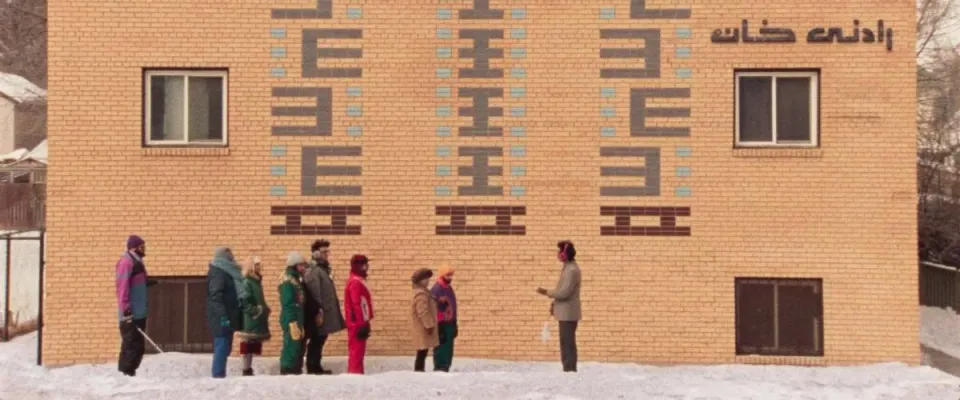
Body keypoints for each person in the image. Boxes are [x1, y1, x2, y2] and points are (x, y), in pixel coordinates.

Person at [301, 239, 346, 374]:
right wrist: (318, 312)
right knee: (316, 339)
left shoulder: (323, 268)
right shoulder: (314, 270)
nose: (327, 254)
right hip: (319, 313)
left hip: (325, 311)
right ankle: (313, 367)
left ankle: (316, 365)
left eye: (328, 251)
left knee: (321, 338)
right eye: (324, 252)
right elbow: (315, 293)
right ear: (315, 253)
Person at [536, 240, 582, 372]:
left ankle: (569, 370)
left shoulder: (571, 270)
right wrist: (554, 305)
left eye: (559, 251)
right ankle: (568, 368)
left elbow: (564, 293)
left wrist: (547, 292)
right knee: (566, 342)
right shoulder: (568, 268)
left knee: (567, 343)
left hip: (568, 313)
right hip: (565, 312)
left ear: (564, 254)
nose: (557, 254)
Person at [115, 234, 155, 377]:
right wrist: (126, 309)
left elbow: (135, 283)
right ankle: (125, 374)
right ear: (134, 248)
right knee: (130, 345)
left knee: (138, 347)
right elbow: (122, 287)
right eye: (142, 247)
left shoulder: (137, 262)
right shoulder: (126, 262)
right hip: (130, 313)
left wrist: (146, 283)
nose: (144, 250)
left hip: (140, 311)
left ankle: (131, 372)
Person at [206, 247, 245, 379]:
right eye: (230, 254)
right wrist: (222, 315)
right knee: (222, 345)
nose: (233, 256)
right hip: (221, 317)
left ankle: (220, 374)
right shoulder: (219, 273)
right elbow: (215, 296)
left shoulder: (226, 272)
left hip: (228, 315)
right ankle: (218, 375)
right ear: (224, 256)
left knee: (226, 346)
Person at [237, 256, 271, 376]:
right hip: (249, 319)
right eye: (256, 265)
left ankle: (248, 368)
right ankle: (246, 369)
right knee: (247, 343)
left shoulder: (256, 282)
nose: (259, 267)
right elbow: (244, 302)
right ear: (251, 267)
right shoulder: (247, 282)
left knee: (252, 343)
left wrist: (265, 309)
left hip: (255, 318)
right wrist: (255, 311)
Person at [344, 254, 374, 374]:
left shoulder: (357, 280)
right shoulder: (356, 282)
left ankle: (357, 373)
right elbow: (356, 303)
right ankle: (355, 374)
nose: (367, 267)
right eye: (364, 265)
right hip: (357, 322)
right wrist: (362, 323)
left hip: (359, 321)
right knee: (356, 351)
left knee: (359, 351)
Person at [279, 251, 308, 375]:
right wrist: (292, 322)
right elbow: (288, 303)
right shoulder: (288, 281)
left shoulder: (296, 279)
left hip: (297, 318)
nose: (303, 268)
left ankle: (295, 371)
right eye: (301, 265)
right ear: (294, 265)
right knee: (290, 347)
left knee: (297, 347)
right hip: (291, 319)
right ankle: (287, 371)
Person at [410, 268, 438, 372]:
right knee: (421, 352)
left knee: (422, 351)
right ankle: (418, 371)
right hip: (423, 328)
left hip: (423, 327)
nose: (428, 281)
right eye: (425, 279)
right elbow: (422, 311)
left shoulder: (424, 292)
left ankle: (419, 370)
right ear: (420, 280)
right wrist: (429, 325)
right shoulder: (421, 294)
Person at [430, 265, 458, 372]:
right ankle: (440, 366)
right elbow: (433, 308)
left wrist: (454, 322)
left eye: (451, 275)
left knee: (448, 348)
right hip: (441, 323)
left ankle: (446, 365)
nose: (450, 277)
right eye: (448, 275)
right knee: (442, 346)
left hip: (449, 323)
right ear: (442, 275)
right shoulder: (437, 289)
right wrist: (439, 324)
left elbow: (452, 306)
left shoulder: (448, 288)